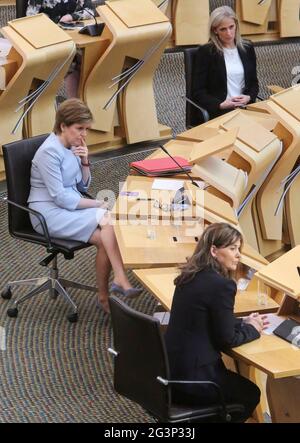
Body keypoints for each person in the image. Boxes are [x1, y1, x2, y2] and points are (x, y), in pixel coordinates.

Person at [27, 98, 142, 313]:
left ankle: (106, 293)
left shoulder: (72, 146)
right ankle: (116, 282)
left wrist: (85, 161)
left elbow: (82, 184)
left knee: (106, 239)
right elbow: (60, 197)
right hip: (47, 213)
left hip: (68, 206)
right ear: (63, 126)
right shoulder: (48, 153)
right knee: (108, 219)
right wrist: (99, 203)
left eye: (86, 129)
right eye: (80, 128)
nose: (84, 134)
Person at [165, 223, 268, 422]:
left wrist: (241, 321)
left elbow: (204, 318)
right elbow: (227, 339)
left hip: (170, 372)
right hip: (197, 380)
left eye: (239, 249)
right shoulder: (223, 285)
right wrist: (253, 329)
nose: (238, 255)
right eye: (232, 248)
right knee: (250, 394)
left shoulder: (189, 275)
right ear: (214, 250)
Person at [192, 6, 259, 120]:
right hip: (219, 112)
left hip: (245, 109)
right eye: (223, 29)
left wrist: (249, 97)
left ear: (236, 25)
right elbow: (198, 92)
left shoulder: (247, 48)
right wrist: (220, 105)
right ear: (215, 30)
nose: (229, 33)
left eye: (231, 27)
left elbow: (254, 83)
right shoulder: (206, 52)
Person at [26, 0, 96, 98]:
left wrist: (71, 17)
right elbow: (30, 20)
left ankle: (81, 104)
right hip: (46, 39)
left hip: (72, 38)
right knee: (72, 59)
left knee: (90, 56)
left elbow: (91, 11)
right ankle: (74, 105)